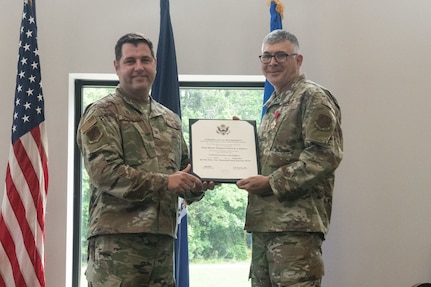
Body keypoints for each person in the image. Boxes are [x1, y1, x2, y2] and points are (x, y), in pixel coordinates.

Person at [76, 32, 213, 287]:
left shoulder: (170, 120)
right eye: (130, 61)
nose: (138, 67)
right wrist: (167, 183)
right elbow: (105, 173)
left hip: (162, 247)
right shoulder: (102, 113)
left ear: (155, 64)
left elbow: (185, 172)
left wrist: (200, 183)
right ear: (117, 67)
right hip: (117, 249)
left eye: (145, 60)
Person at [236, 30, 343, 287]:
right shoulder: (275, 103)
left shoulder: (312, 97)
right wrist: (239, 140)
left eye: (281, 55)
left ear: (299, 59)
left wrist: (272, 183)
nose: (272, 62)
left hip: (296, 231)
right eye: (267, 56)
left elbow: (324, 156)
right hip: (265, 226)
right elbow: (273, 158)